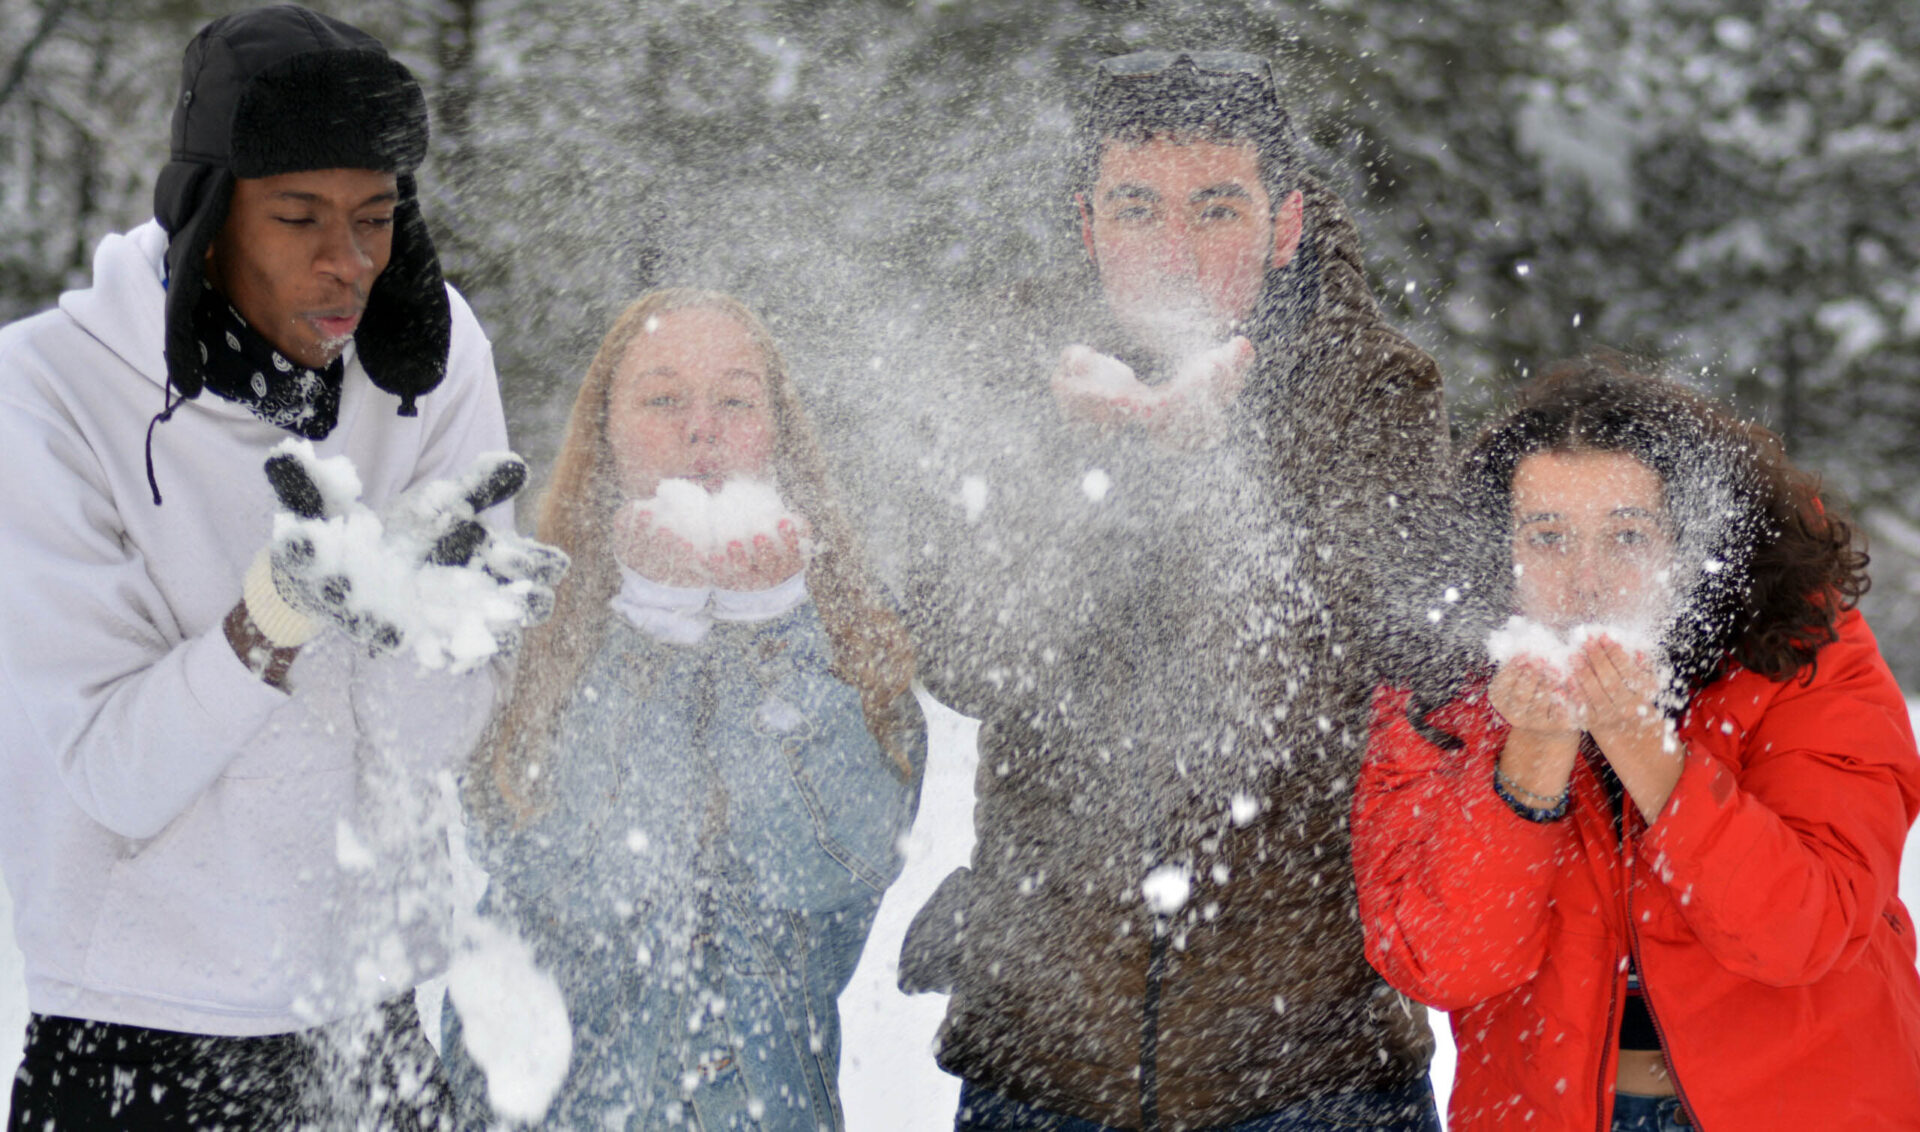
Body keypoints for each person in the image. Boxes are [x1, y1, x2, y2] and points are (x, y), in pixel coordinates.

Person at [0, 6, 560, 1128]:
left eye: (375, 215)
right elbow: (111, 772)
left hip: (369, 1020)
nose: (347, 262)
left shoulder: (435, 363)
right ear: (207, 216)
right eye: (297, 215)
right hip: (136, 1029)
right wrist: (276, 614)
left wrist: (434, 630)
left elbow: (423, 752)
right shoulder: (48, 392)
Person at [895, 51, 1448, 1130]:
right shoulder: (1011, 367)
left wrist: (1208, 475)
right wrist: (1085, 478)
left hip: (1312, 1065)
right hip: (1045, 1059)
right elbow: (967, 655)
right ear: (1088, 221)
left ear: (1285, 224)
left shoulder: (1376, 387)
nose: (1176, 252)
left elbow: (1357, 658)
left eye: (1217, 209)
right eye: (1137, 208)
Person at [1351, 357, 1920, 1130]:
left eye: (1626, 535)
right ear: (1498, 548)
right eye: (1547, 537)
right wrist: (1536, 754)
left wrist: (1641, 745)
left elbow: (1803, 933)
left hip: (1809, 1101)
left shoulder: (1800, 652)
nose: (1586, 580)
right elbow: (1444, 962)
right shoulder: (1441, 684)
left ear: (1694, 542)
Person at [443, 288, 925, 1128]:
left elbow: (831, 868)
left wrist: (767, 637)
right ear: (605, 431)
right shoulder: (524, 624)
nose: (701, 430)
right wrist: (647, 632)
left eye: (736, 400)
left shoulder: (852, 637)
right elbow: (571, 873)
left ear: (778, 433)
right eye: (663, 400)